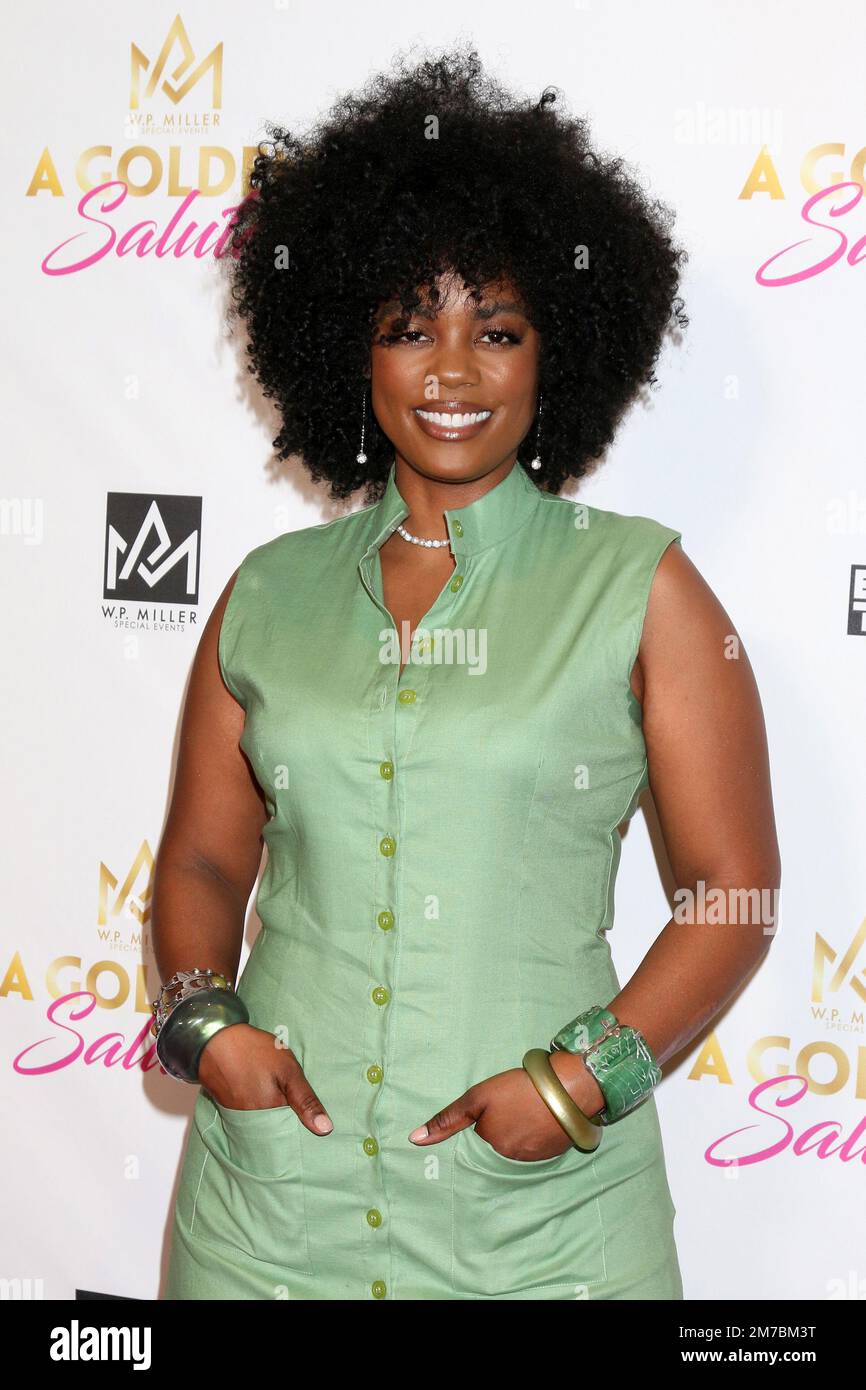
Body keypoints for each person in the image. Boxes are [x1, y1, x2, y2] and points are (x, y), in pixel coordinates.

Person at [153, 47, 781, 1301]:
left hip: (542, 1230)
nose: (451, 370)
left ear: (556, 351)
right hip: (269, 1216)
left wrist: (580, 1077)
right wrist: (201, 1022)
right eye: (407, 327)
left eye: (494, 328)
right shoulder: (266, 595)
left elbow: (731, 892)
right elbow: (205, 860)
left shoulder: (641, 589)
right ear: (348, 349)